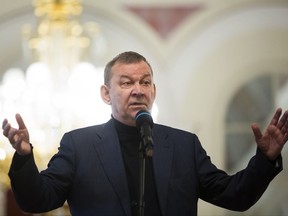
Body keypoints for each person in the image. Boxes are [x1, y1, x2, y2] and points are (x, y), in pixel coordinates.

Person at [2, 51, 288, 216]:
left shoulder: (183, 145)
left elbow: (235, 196)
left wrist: (265, 159)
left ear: (154, 91)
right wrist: (25, 157)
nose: (138, 89)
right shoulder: (79, 145)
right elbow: (37, 200)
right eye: (126, 83)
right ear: (106, 94)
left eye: (145, 82)